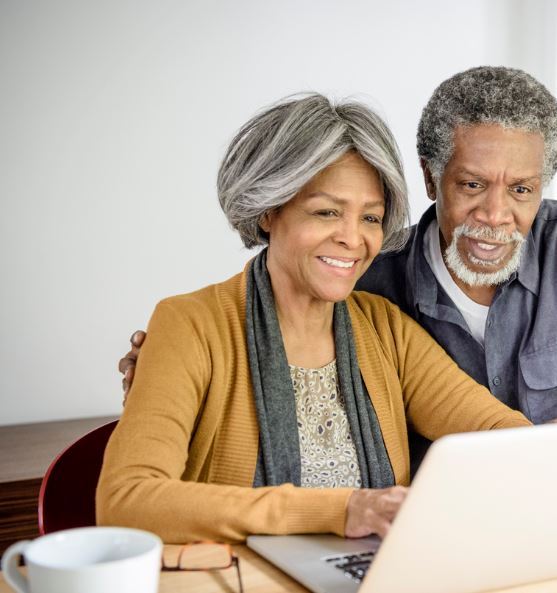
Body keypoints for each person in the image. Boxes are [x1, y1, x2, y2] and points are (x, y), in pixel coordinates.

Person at [120, 66, 557, 446]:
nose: (496, 215)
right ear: (430, 178)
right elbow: (268, 340)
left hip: (553, 504)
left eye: (522, 190)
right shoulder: (367, 278)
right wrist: (176, 371)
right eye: (472, 185)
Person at [97, 93, 530, 544]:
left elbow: (503, 437)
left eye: (370, 218)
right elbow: (127, 500)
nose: (352, 238)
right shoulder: (189, 325)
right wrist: (338, 510)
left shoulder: (386, 329)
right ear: (268, 209)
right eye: (326, 212)